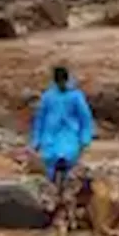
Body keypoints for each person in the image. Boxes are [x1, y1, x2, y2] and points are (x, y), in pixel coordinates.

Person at [29, 65, 95, 196]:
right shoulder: (48, 97)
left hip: (69, 135)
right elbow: (40, 119)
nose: (62, 85)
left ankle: (66, 192)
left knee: (66, 160)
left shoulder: (76, 96)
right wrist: (36, 141)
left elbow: (85, 118)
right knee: (50, 166)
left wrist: (85, 138)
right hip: (50, 137)